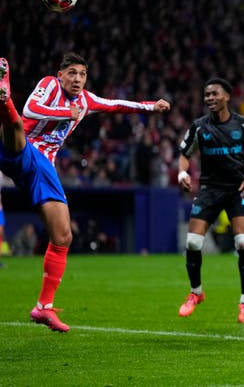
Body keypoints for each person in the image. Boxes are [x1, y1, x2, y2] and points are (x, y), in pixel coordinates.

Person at [0, 54, 170, 332]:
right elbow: (31, 110)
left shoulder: (86, 101)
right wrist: (66, 113)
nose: (77, 79)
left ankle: (43, 307)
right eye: (71, 73)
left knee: (63, 235)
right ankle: (4, 96)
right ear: (60, 74)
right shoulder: (49, 85)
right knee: (16, 124)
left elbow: (116, 105)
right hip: (23, 150)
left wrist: (152, 106)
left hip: (43, 168)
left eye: (82, 74)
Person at [177, 77, 244, 324]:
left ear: (227, 96)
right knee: (193, 242)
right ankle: (196, 293)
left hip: (237, 189)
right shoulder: (199, 127)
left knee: (243, 242)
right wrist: (183, 173)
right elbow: (184, 155)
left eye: (214, 94)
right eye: (206, 95)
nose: (210, 98)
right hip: (209, 189)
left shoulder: (243, 125)